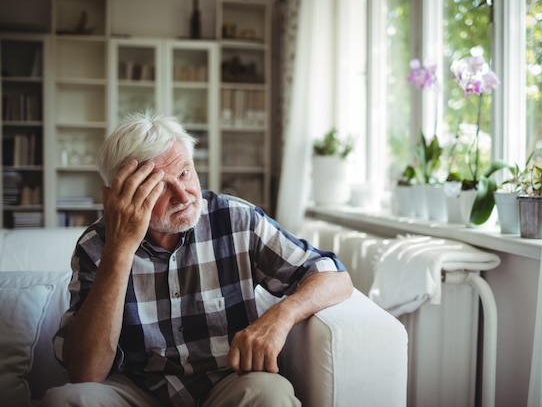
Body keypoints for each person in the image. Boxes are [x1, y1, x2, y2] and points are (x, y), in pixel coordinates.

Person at [43, 112, 353, 407]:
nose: (183, 194)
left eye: (184, 172)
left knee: (270, 393)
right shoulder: (96, 245)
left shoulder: (235, 218)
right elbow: (85, 372)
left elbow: (333, 275)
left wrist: (280, 316)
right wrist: (119, 251)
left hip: (227, 386)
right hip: (135, 390)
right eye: (160, 186)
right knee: (65, 400)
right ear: (118, 196)